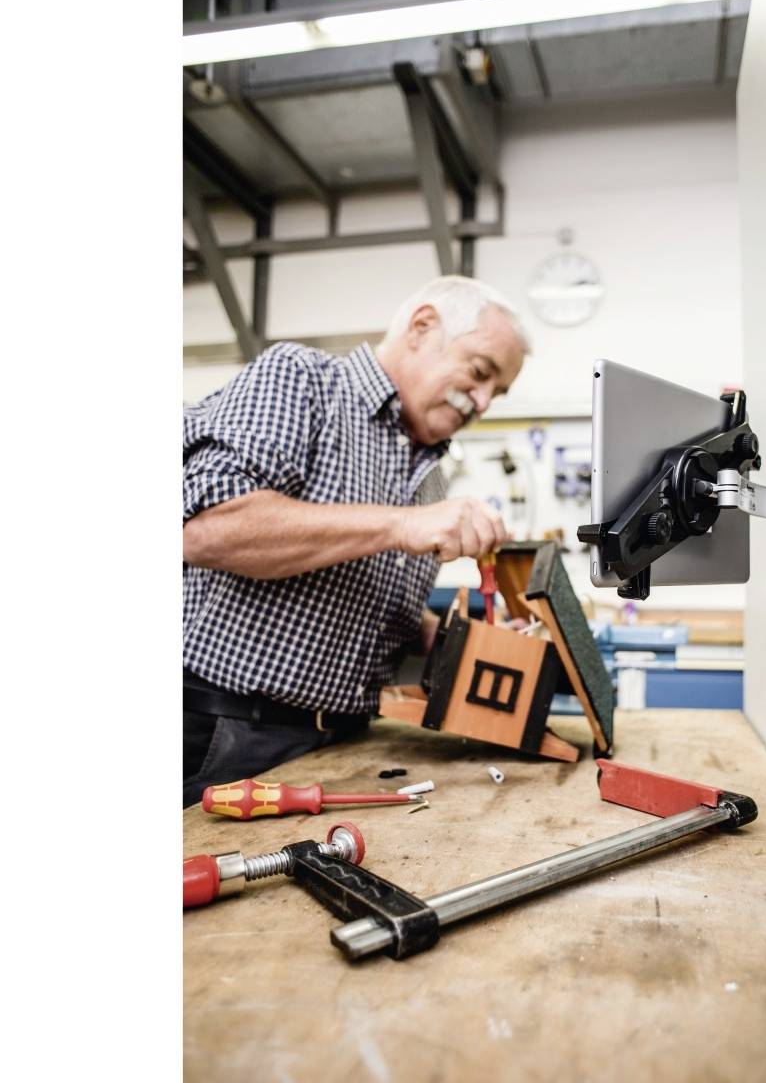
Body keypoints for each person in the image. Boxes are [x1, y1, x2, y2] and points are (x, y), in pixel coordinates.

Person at [181, 276, 529, 806]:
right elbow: (205, 528)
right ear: (422, 328)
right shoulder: (302, 381)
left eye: (496, 392)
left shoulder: (428, 476)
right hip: (223, 734)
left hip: (341, 740)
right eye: (480, 372)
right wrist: (400, 525)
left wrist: (450, 639)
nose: (482, 401)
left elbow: (361, 599)